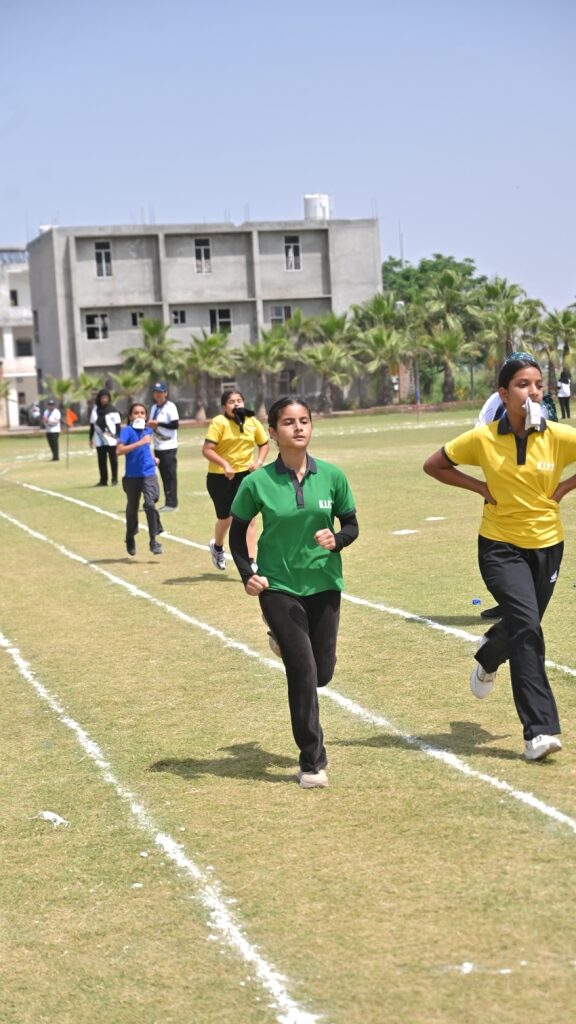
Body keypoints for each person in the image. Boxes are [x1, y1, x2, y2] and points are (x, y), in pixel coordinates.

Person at [423, 351, 576, 762]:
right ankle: (539, 732)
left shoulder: (559, 435)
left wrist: (564, 488)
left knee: (524, 625)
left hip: (548, 546)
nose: (533, 392)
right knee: (527, 628)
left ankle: (490, 652)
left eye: (538, 385)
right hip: (499, 547)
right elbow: (434, 465)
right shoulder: (483, 438)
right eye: (523, 385)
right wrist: (480, 488)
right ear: (504, 394)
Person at [229, 397, 359, 789]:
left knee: (322, 672)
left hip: (324, 582)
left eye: (304, 421)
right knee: (302, 671)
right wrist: (248, 573)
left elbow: (351, 525)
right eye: (288, 422)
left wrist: (336, 539)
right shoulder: (256, 482)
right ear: (272, 432)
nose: (298, 427)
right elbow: (237, 533)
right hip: (278, 586)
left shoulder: (332, 476)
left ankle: (285, 644)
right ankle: (312, 762)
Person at [202, 389, 269, 571]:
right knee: (226, 520)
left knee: (250, 519)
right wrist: (225, 465)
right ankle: (217, 547)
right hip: (220, 477)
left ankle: (251, 561)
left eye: (239, 400)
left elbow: (264, 444)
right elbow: (207, 450)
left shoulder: (252, 421)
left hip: (246, 476)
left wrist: (259, 462)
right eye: (231, 402)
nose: (236, 404)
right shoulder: (219, 422)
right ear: (224, 406)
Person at [117, 402, 164, 556]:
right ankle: (130, 535)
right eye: (136, 413)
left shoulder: (147, 430)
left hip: (148, 473)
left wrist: (153, 457)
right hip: (132, 476)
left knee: (150, 504)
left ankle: (153, 540)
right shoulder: (127, 431)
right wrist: (139, 443)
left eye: (142, 413)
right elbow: (119, 450)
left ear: (146, 416)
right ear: (130, 416)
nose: (139, 415)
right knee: (132, 507)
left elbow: (146, 447)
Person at [148, 382, 180, 511]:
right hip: (158, 446)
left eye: (160, 392)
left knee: (170, 475)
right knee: (163, 475)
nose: (158, 395)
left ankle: (172, 503)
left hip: (168, 446)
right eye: (156, 392)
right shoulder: (154, 408)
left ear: (165, 393)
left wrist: (158, 424)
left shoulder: (170, 407)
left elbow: (175, 425)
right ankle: (168, 501)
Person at [89, 388, 121, 486]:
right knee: (101, 460)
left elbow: (118, 425)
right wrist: (90, 438)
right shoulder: (95, 410)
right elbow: (92, 425)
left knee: (113, 460)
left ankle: (114, 479)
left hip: (111, 439)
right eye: (102, 398)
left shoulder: (113, 410)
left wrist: (118, 437)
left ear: (109, 398)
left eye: (106, 398)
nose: (104, 400)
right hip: (99, 439)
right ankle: (103, 480)